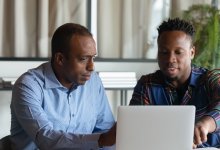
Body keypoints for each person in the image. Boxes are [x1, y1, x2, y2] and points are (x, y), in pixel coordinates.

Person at [10, 23, 116, 150]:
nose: (91, 67)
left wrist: (108, 139)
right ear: (60, 59)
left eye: (93, 58)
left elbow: (107, 132)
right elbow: (46, 139)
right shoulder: (28, 86)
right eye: (83, 59)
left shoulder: (93, 82)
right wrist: (102, 139)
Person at [129, 18, 220, 148]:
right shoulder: (147, 85)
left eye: (178, 52)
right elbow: (136, 127)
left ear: (192, 52)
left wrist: (206, 124)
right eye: (164, 52)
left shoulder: (210, 79)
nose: (170, 59)